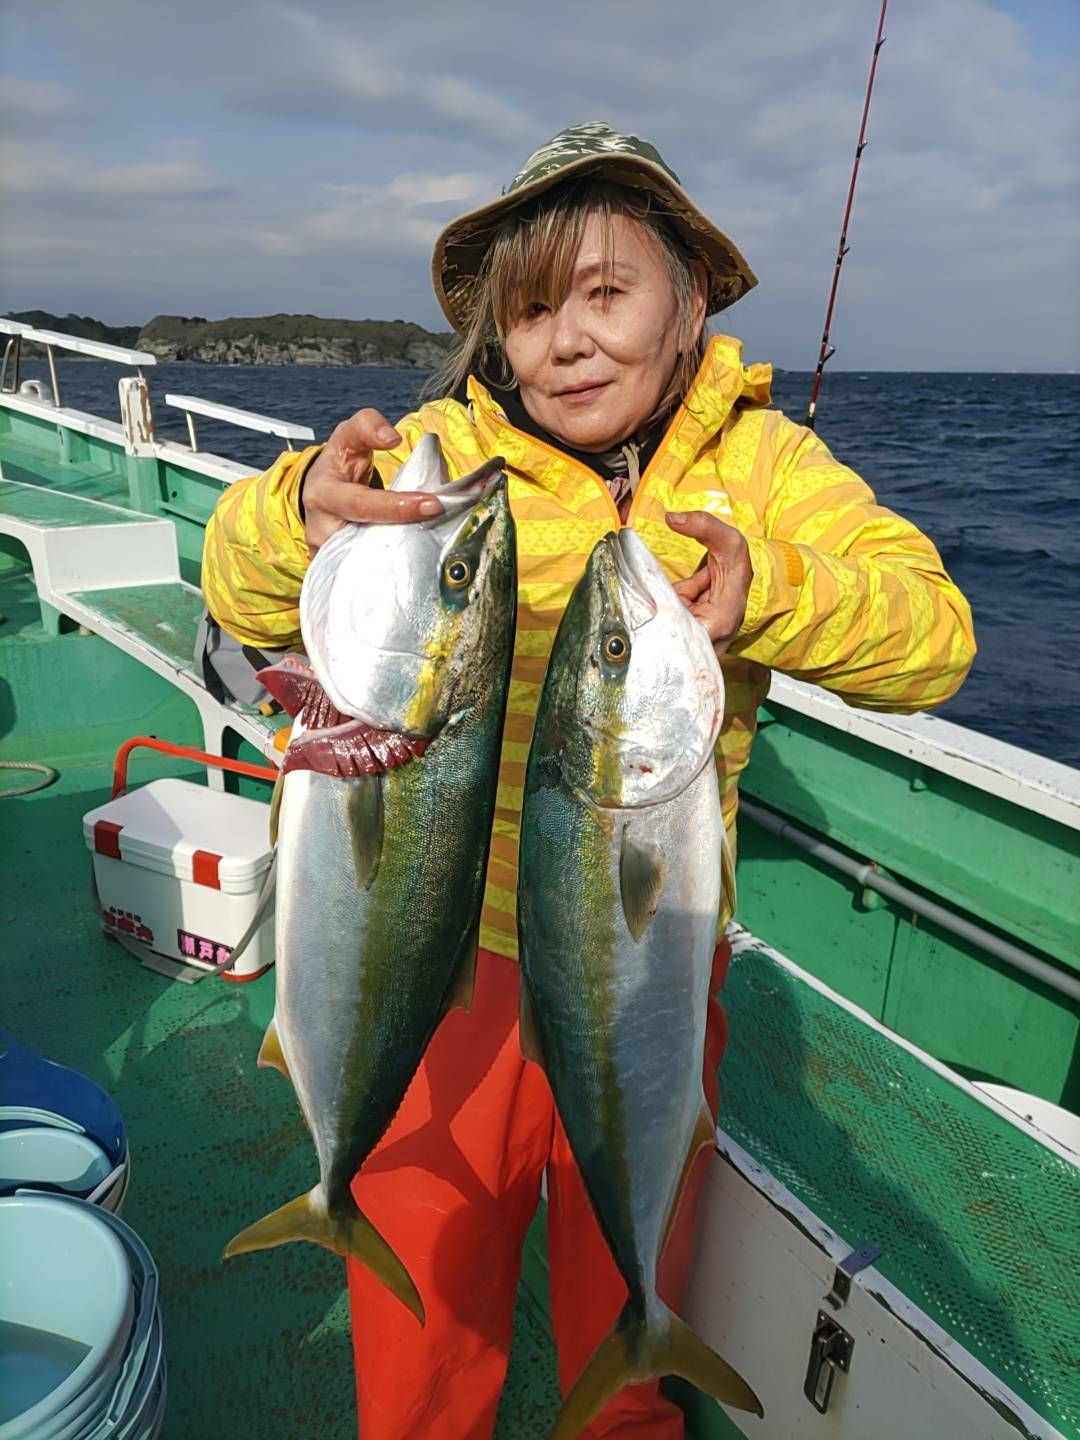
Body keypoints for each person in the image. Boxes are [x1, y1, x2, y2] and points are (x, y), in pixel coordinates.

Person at [203, 122, 975, 1439]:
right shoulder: (438, 465)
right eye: (528, 311)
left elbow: (935, 639)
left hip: (652, 960)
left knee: (625, 1281)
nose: (565, 340)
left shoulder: (765, 470)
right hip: (443, 966)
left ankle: (630, 1381)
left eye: (606, 293)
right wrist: (299, 514)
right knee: (424, 1320)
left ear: (691, 301)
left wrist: (772, 591)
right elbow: (242, 586)